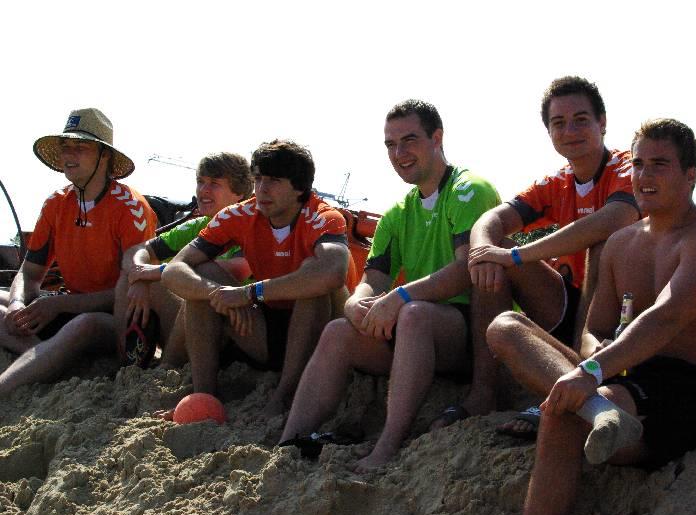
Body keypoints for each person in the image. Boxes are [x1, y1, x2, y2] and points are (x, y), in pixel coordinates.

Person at [488, 119, 696, 515]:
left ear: (690, 175)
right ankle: (600, 412)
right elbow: (593, 329)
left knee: (562, 413)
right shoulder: (621, 242)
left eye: (660, 165)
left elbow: (665, 317)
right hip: (624, 374)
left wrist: (591, 371)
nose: (645, 176)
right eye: (639, 164)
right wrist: (594, 354)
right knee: (505, 327)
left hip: (694, 388)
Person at [279, 99, 501, 471]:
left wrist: (400, 297)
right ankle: (288, 444)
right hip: (419, 329)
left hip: (473, 332)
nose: (399, 153)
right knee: (338, 331)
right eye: (390, 145)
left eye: (409, 140)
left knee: (413, 314)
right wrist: (356, 303)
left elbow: (468, 269)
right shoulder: (397, 213)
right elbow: (373, 279)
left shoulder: (469, 189)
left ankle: (387, 446)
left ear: (437, 138)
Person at [432, 76, 641, 434]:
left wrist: (518, 256)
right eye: (559, 123)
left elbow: (616, 217)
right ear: (549, 132)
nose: (569, 131)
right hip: (568, 304)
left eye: (580, 120)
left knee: (601, 245)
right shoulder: (557, 182)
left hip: (623, 310)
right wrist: (484, 252)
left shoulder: (628, 166)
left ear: (602, 123)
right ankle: (484, 393)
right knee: (493, 254)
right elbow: (492, 219)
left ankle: (575, 380)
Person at [160, 139, 358, 418]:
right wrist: (220, 294)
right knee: (203, 275)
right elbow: (173, 270)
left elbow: (332, 274)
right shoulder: (240, 214)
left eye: (274, 180)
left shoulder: (324, 216)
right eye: (258, 179)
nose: (262, 189)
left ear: (299, 187)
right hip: (265, 330)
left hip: (323, 333)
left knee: (313, 280)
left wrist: (249, 293)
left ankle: (285, 395)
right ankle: (204, 394)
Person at [0, 108, 157, 396]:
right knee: (7, 303)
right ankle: (47, 357)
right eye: (65, 147)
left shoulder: (131, 208)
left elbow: (132, 290)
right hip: (68, 307)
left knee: (85, 324)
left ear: (104, 155)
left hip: (116, 318)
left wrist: (60, 305)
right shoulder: (56, 204)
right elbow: (30, 273)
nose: (69, 155)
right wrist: (17, 303)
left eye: (81, 147)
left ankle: (21, 376)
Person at [114, 152, 253, 368]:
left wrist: (153, 273)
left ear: (239, 193)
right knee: (128, 278)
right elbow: (137, 250)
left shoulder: (251, 226)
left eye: (214, 184)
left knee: (197, 285)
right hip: (187, 322)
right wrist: (139, 274)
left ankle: (167, 365)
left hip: (233, 326)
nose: (203, 190)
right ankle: (127, 366)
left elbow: (234, 269)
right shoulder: (198, 226)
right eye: (200, 182)